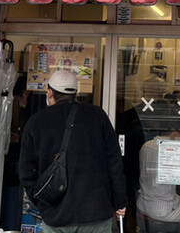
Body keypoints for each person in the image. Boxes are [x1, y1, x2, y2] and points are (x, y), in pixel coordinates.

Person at [20, 69, 127, 232]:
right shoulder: (97, 116)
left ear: (49, 93)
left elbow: (26, 172)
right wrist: (119, 201)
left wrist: (43, 204)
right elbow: (114, 163)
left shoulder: (36, 122)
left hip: (56, 216)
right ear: (76, 93)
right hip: (96, 214)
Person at [136, 132, 180, 233]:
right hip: (163, 208)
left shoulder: (146, 145)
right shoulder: (170, 149)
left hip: (143, 204)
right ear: (174, 134)